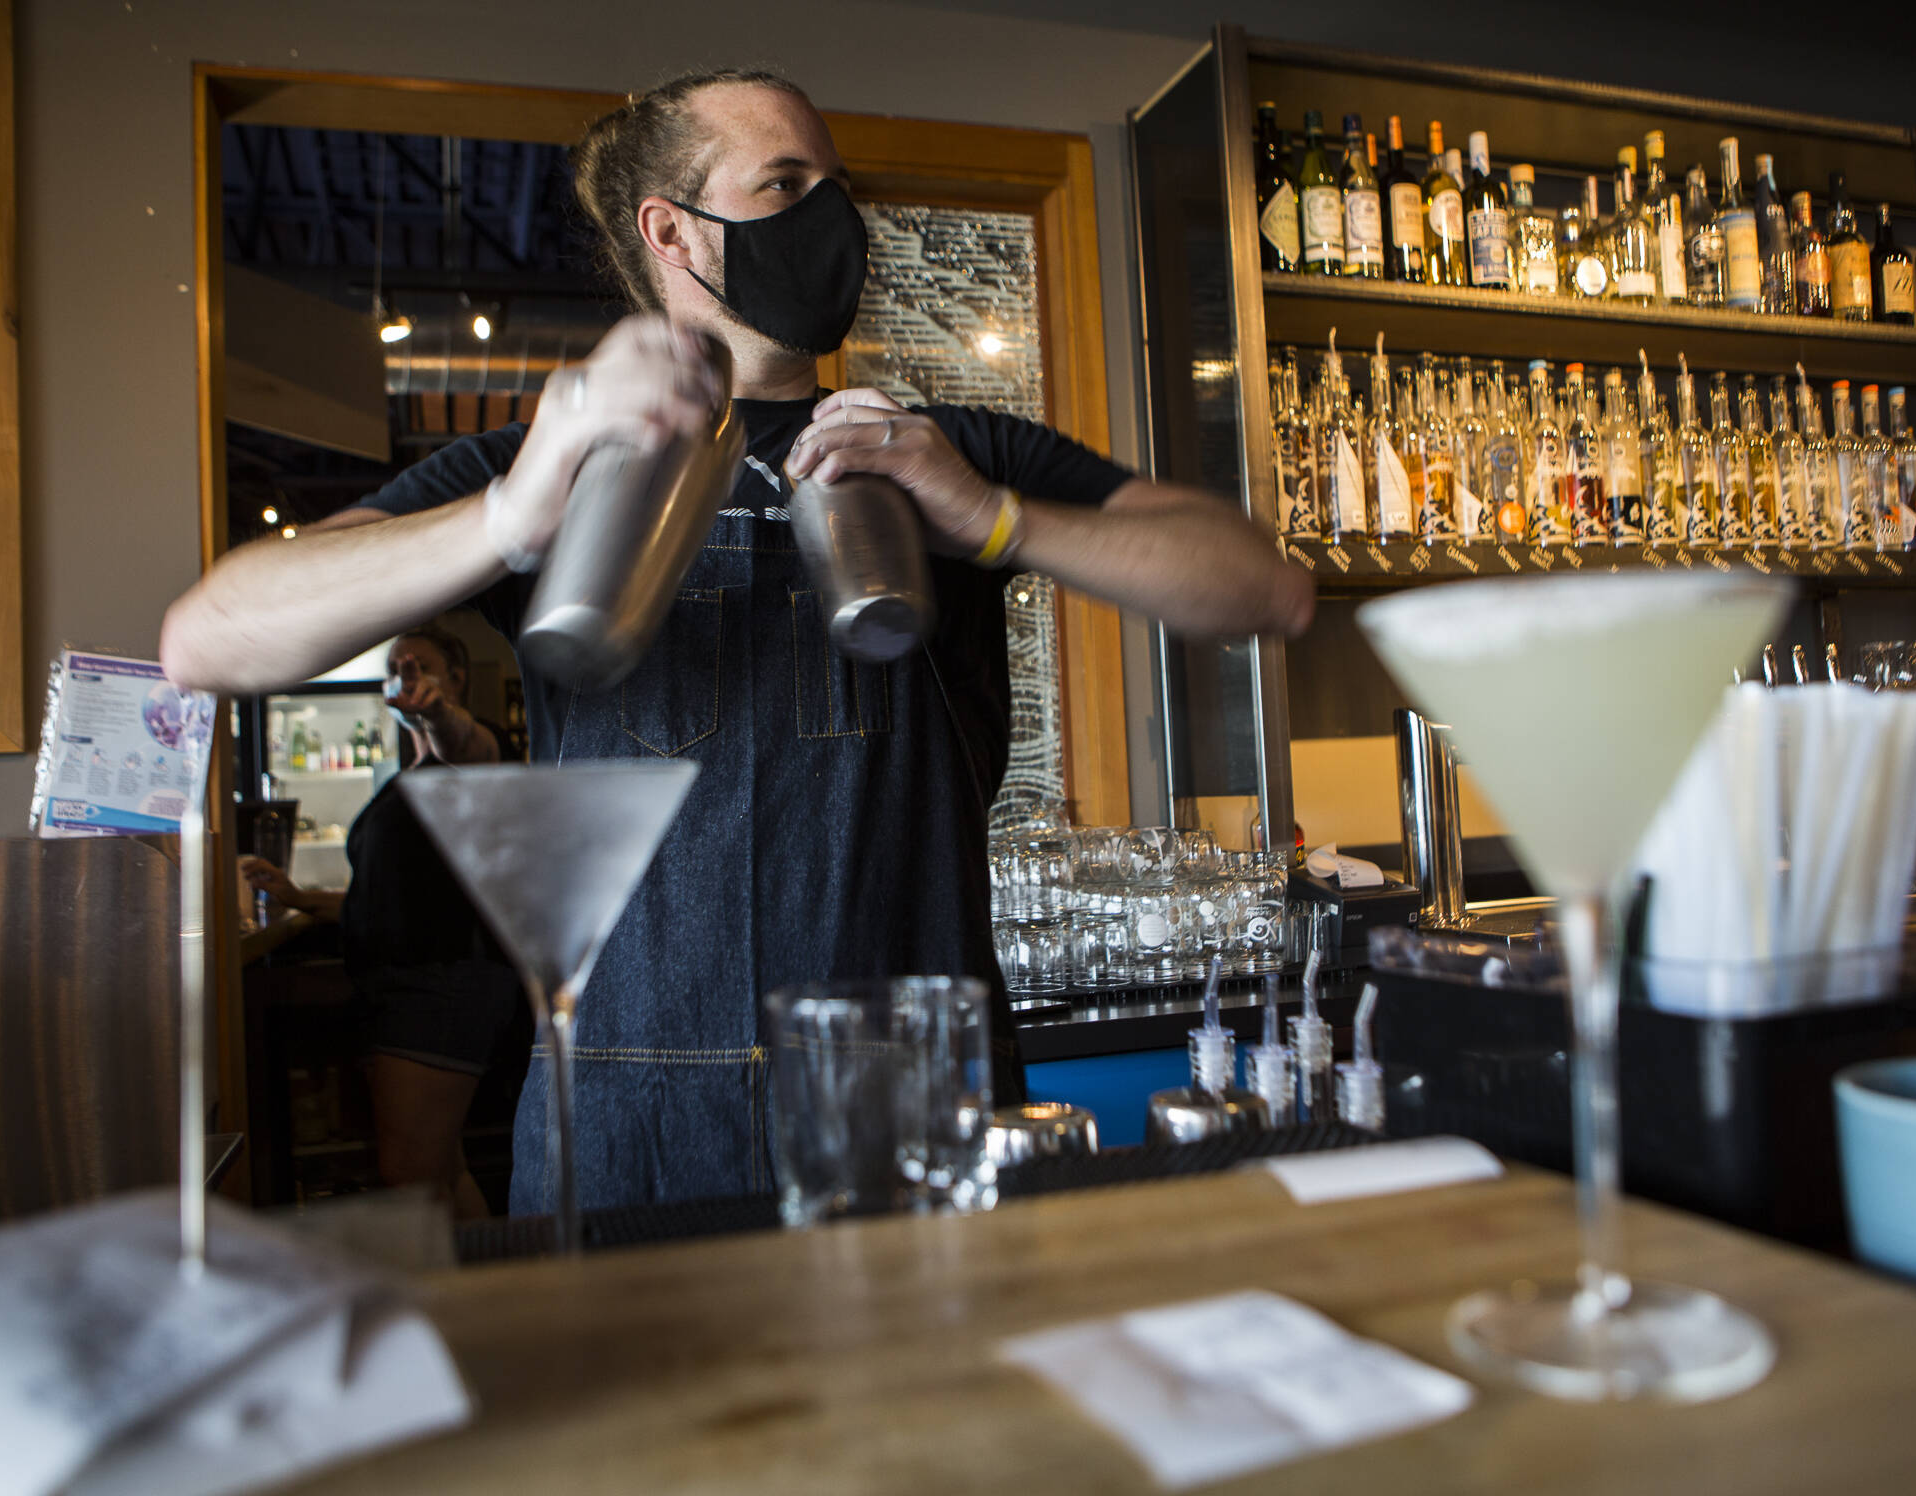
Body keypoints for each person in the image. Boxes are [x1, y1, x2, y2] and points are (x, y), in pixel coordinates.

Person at [161, 67, 1313, 1217]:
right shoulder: (545, 463)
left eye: (835, 186)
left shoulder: (942, 450)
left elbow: (1263, 586)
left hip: (910, 1095)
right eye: (784, 183)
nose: (833, 218)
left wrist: (995, 518)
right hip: (626, 1120)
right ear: (673, 231)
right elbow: (209, 636)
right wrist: (508, 518)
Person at [243, 627, 526, 1217]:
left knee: (411, 1173)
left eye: (420, 667)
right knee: (441, 1170)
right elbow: (374, 899)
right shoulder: (401, 783)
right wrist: (296, 895)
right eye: (395, 668)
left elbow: (464, 745)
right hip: (401, 988)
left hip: (441, 985)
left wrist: (437, 714)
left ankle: (470, 1301)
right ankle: (490, 1284)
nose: (405, 676)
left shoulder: (471, 755)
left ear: (456, 680)